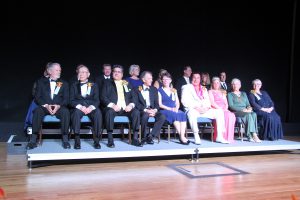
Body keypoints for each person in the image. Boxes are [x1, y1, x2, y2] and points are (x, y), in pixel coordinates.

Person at [27, 63, 71, 150]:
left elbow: (66, 99)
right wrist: (46, 105)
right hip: (45, 106)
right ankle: (33, 140)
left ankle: (65, 139)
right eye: (57, 70)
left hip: (59, 106)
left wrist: (58, 106)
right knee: (37, 111)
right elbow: (37, 97)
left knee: (65, 112)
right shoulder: (40, 82)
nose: (59, 72)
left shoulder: (64, 83)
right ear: (49, 71)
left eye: (60, 70)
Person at [100, 65, 142, 147]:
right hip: (113, 108)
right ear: (112, 73)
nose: (116, 73)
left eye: (119, 72)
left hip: (126, 109)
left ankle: (135, 139)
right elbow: (103, 97)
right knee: (109, 112)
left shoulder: (126, 83)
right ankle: (110, 139)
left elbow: (134, 97)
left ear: (122, 74)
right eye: (115, 71)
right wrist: (112, 105)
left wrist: (130, 105)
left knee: (136, 112)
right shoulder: (107, 83)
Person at [181, 72, 228, 144]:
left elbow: (208, 101)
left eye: (198, 78)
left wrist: (206, 108)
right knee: (192, 113)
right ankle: (196, 136)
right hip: (193, 109)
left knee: (219, 111)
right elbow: (184, 101)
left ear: (200, 79)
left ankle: (219, 136)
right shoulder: (186, 87)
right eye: (194, 78)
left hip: (204, 110)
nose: (196, 80)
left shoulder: (204, 89)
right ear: (191, 79)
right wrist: (196, 107)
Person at [69, 65, 102, 149]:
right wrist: (81, 107)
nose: (82, 74)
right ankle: (77, 140)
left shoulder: (94, 85)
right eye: (80, 72)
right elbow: (71, 100)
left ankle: (97, 141)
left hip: (90, 107)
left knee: (98, 113)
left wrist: (90, 107)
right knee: (75, 113)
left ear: (88, 74)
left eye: (84, 72)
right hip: (79, 108)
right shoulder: (73, 85)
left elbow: (97, 100)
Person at [134, 71, 165, 144]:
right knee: (145, 116)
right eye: (149, 78)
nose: (151, 80)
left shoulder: (154, 89)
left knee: (162, 117)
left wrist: (154, 110)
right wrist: (146, 110)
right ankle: (143, 137)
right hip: (143, 110)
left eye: (151, 78)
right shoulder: (137, 89)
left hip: (153, 110)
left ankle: (151, 136)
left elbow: (157, 104)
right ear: (143, 80)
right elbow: (136, 103)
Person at [158, 73, 190, 144]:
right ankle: (182, 137)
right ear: (162, 81)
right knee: (175, 115)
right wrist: (170, 109)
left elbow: (177, 102)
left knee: (182, 114)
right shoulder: (159, 90)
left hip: (174, 109)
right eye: (164, 79)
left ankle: (181, 136)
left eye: (167, 79)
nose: (166, 81)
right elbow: (160, 104)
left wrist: (176, 108)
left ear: (170, 80)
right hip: (165, 110)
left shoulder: (173, 90)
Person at [227, 78, 261, 143]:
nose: (235, 85)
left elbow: (248, 104)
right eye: (233, 84)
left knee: (253, 114)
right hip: (236, 111)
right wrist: (243, 110)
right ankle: (254, 134)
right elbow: (231, 106)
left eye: (237, 84)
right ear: (231, 85)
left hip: (245, 111)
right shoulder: (230, 94)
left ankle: (249, 136)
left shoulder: (243, 93)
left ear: (240, 85)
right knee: (248, 115)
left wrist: (249, 108)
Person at [209, 77, 236, 143]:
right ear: (212, 84)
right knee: (225, 115)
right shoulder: (210, 91)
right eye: (215, 83)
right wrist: (220, 109)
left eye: (217, 83)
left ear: (219, 84)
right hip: (216, 109)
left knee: (231, 115)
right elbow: (212, 102)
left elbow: (226, 102)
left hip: (224, 109)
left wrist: (226, 108)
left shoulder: (223, 91)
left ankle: (229, 137)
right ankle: (221, 137)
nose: (216, 84)